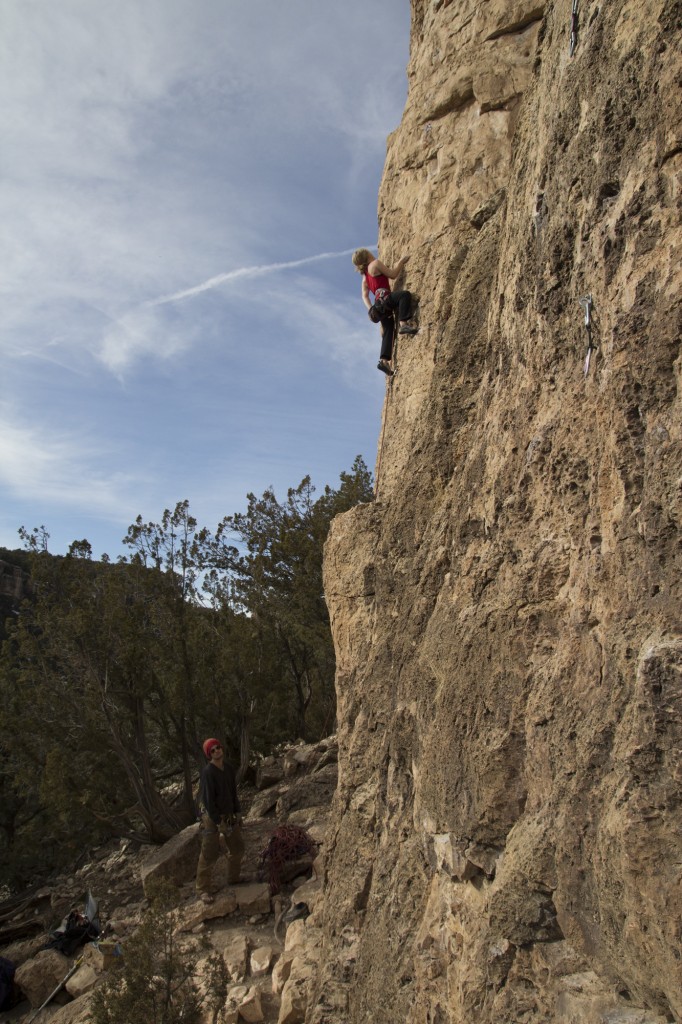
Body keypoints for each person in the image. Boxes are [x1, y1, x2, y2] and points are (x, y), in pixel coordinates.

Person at [352, 248, 418, 376]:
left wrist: (370, 308)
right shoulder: (375, 264)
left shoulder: (365, 277)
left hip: (377, 307)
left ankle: (384, 361)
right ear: (367, 255)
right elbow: (393, 274)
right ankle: (403, 324)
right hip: (386, 299)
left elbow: (364, 296)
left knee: (388, 330)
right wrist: (401, 262)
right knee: (404, 295)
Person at [195, 738, 244, 902]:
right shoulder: (208, 772)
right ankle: (202, 889)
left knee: (237, 847)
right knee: (208, 852)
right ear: (209, 754)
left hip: (228, 813)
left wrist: (237, 811)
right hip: (212, 816)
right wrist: (217, 821)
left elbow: (232, 792)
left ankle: (233, 877)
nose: (217, 751)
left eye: (218, 747)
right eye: (213, 750)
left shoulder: (228, 768)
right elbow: (208, 800)